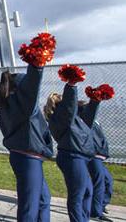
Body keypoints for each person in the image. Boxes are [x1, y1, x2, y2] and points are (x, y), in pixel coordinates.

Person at [0, 48, 54, 222]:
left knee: (43, 199)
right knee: (29, 207)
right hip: (28, 158)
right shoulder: (24, 106)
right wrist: (37, 63)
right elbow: (33, 84)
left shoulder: (10, 105)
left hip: (25, 157)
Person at [45, 75, 96, 222]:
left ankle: (83, 219)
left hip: (80, 157)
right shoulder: (62, 117)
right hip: (72, 157)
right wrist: (71, 85)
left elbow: (88, 119)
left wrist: (95, 101)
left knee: (87, 191)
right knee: (77, 194)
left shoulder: (71, 119)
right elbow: (69, 106)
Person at [88, 120, 114, 221]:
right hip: (93, 155)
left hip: (99, 156)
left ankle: (100, 205)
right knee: (99, 182)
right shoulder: (85, 117)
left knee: (108, 180)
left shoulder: (95, 120)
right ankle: (95, 212)